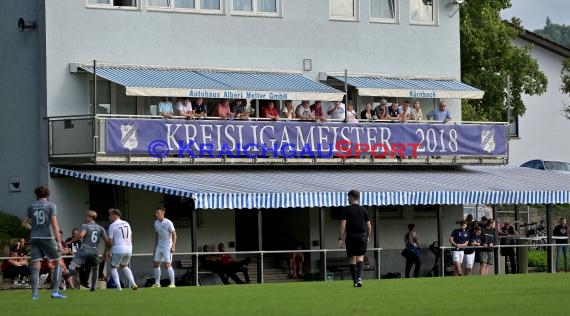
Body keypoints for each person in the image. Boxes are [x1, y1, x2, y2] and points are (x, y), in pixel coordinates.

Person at [20, 185, 67, 300]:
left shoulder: (31, 206)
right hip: (47, 237)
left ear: (36, 195)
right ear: (48, 194)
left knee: (36, 265)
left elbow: (23, 223)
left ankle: (35, 294)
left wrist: (33, 228)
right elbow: (55, 225)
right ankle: (55, 292)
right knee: (59, 263)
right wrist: (59, 242)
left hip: (35, 238)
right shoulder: (51, 206)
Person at [64, 210, 110, 292]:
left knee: (71, 267)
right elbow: (107, 242)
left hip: (84, 249)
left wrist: (70, 241)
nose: (85, 218)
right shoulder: (101, 228)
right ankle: (93, 287)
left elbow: (81, 235)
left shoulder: (85, 226)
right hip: (94, 251)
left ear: (90, 217)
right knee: (95, 269)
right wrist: (105, 252)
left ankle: (73, 273)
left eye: (86, 216)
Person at [338, 189, 371, 287]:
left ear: (352, 197)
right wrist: (367, 237)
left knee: (352, 260)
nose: (348, 198)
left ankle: (355, 281)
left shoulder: (346, 209)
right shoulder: (364, 210)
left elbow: (343, 224)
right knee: (360, 258)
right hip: (362, 237)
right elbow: (369, 225)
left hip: (351, 237)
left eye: (348, 197)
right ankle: (359, 278)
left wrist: (340, 238)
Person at [107, 208, 138, 290]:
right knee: (124, 266)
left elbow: (109, 241)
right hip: (129, 248)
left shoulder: (112, 225)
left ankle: (119, 288)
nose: (109, 217)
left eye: (110, 215)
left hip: (118, 248)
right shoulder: (127, 223)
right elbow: (131, 238)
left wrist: (107, 251)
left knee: (113, 267)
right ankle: (133, 283)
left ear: (114, 215)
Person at [151, 207, 177, 288]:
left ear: (163, 213)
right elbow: (156, 235)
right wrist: (155, 247)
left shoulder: (168, 222)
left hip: (167, 246)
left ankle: (172, 284)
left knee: (167, 265)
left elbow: (174, 234)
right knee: (155, 264)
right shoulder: (156, 223)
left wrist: (173, 246)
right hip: (159, 246)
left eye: (158, 212)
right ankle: (157, 283)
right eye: (156, 212)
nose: (156, 214)